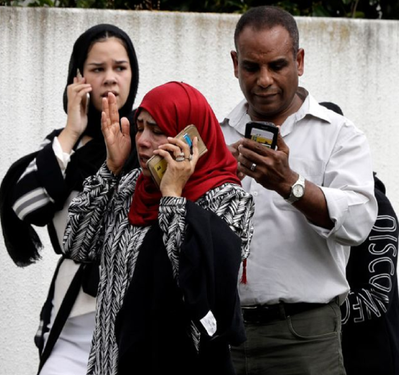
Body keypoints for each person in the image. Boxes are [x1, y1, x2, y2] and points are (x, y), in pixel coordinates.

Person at [220, 6, 378, 375]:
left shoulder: (338, 134)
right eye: (251, 67)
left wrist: (290, 185)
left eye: (277, 65)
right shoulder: (218, 134)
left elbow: (358, 223)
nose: (263, 80)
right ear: (234, 63)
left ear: (299, 60)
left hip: (304, 335)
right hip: (224, 332)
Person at [63, 81, 255, 375]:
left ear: (190, 138)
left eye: (157, 130)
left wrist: (173, 199)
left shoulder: (228, 199)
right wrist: (111, 170)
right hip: (110, 363)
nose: (142, 140)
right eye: (140, 127)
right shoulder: (130, 186)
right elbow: (78, 245)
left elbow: (201, 288)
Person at [0, 24, 140, 374]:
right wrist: (71, 130)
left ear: (133, 75)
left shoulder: (148, 139)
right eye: (97, 69)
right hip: (72, 325)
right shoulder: (63, 150)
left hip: (135, 320)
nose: (110, 79)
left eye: (120, 68)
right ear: (78, 78)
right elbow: (25, 205)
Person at [320, 102, 399, 375]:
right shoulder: (308, 203)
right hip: (327, 354)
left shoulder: (376, 205)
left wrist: (309, 317)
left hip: (376, 357)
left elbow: (377, 295)